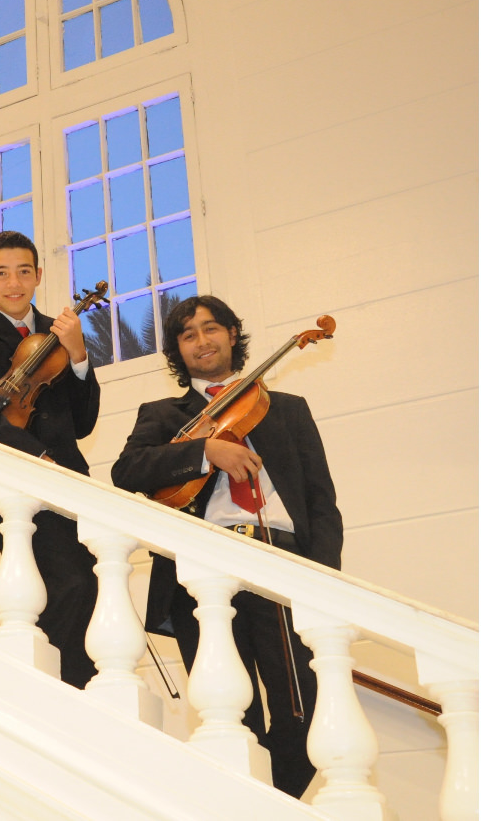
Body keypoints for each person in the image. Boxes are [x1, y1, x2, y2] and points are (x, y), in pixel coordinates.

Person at [111, 295, 342, 798]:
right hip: (202, 568)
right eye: (188, 334)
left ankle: (269, 801)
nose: (202, 341)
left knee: (303, 707)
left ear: (232, 334)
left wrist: (325, 579)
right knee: (231, 715)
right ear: (178, 350)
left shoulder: (287, 409)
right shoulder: (163, 414)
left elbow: (321, 502)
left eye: (211, 328)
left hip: (280, 560)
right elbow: (126, 471)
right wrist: (204, 451)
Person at [0, 230, 100, 689]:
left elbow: (84, 423)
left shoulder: (62, 331)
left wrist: (78, 354)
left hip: (66, 482)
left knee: (83, 589)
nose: (14, 283)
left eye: (23, 272)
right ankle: (36, 685)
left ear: (38, 275)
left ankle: (65, 689)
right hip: (9, 483)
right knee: (64, 585)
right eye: (1, 273)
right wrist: (37, 456)